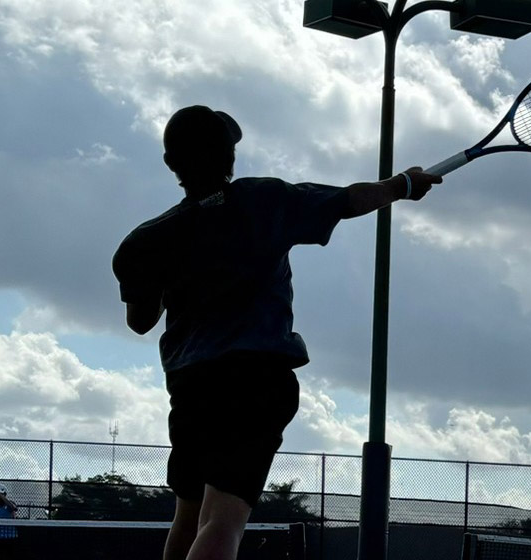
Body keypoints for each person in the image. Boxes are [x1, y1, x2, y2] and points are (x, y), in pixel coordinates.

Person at [114, 105, 442, 560]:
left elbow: (140, 320)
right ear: (230, 157)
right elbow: (350, 200)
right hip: (256, 377)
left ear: (172, 163)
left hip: (190, 389)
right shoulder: (262, 199)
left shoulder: (141, 243)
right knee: (221, 523)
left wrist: (180, 266)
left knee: (188, 517)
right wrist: (403, 184)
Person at [0, 486, 24, 559]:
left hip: (10, 536)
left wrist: (1, 496)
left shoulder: (10, 504)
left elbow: (13, 508)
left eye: (0, 495)